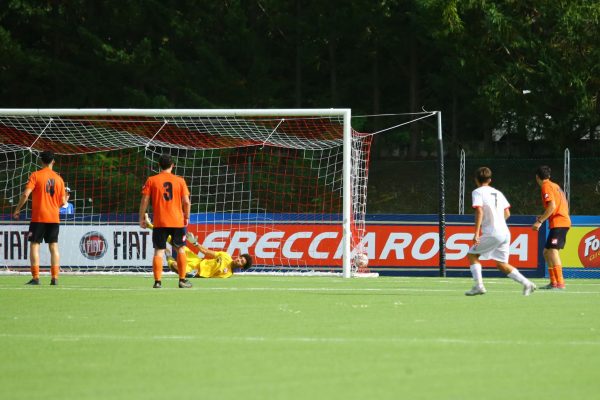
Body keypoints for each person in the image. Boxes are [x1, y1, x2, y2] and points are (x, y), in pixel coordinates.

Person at [465, 167, 536, 296]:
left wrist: (476, 233)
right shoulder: (498, 193)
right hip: (504, 232)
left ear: (476, 180)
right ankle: (527, 283)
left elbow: (479, 211)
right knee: (501, 264)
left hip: (493, 232)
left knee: (472, 255)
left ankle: (479, 286)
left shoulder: (477, 192)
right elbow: (507, 213)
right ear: (490, 180)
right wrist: (497, 221)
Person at [12, 150, 67, 286]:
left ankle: (36, 278)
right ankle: (54, 278)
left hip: (39, 217)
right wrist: (53, 206)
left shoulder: (36, 175)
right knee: (53, 246)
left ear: (41, 161)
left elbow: (26, 194)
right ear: (53, 161)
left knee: (34, 245)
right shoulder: (59, 179)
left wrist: (17, 209)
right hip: (54, 217)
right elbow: (63, 201)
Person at [139, 154, 192, 289]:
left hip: (160, 221)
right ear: (172, 165)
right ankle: (182, 280)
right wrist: (186, 216)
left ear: (158, 165)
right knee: (180, 249)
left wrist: (142, 217)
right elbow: (186, 202)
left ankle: (158, 282)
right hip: (177, 221)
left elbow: (145, 200)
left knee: (159, 251)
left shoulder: (151, 180)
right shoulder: (180, 180)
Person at [143, 214, 252, 278]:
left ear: (241, 267)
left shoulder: (227, 274)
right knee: (177, 243)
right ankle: (150, 225)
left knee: (176, 266)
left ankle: (168, 256)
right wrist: (195, 243)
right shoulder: (226, 256)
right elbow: (206, 252)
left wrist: (196, 275)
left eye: (242, 262)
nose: (239, 260)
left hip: (195, 272)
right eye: (240, 258)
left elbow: (209, 277)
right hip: (197, 261)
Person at [531, 165, 571, 290]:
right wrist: (544, 216)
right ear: (549, 175)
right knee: (546, 252)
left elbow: (552, 206)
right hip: (559, 222)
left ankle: (560, 283)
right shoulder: (555, 186)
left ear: (537, 177)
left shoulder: (546, 186)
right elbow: (555, 206)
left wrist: (540, 221)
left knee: (553, 251)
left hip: (560, 222)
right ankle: (553, 282)